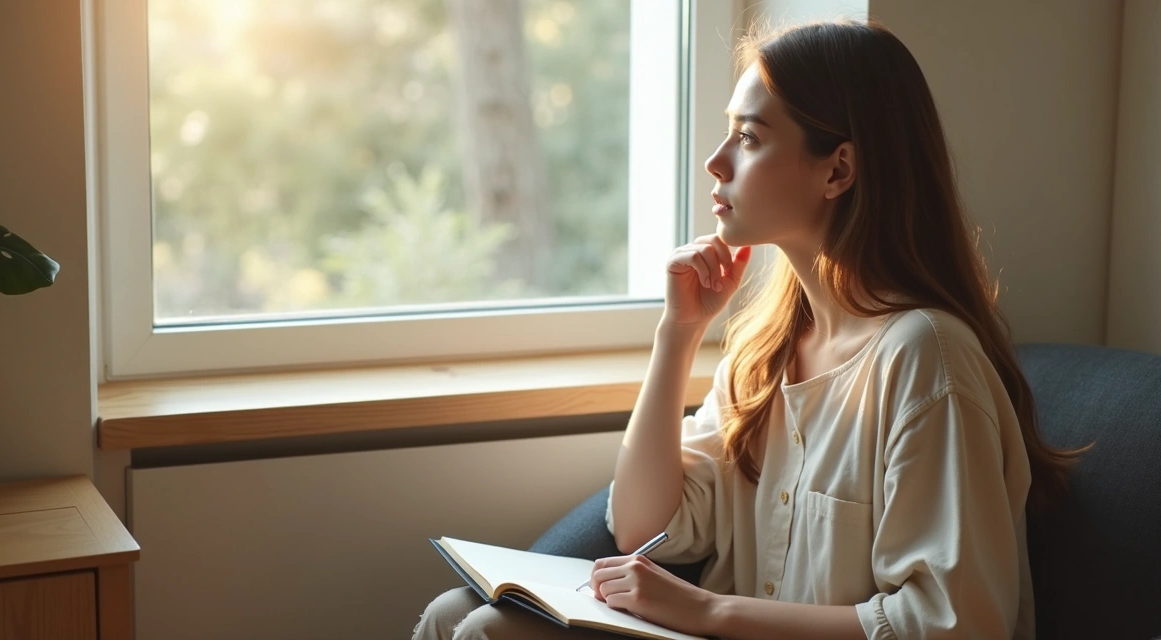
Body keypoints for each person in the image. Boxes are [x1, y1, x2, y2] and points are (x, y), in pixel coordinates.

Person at [413, 18, 1082, 640]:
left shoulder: (923, 358)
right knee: (454, 615)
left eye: (750, 137)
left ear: (838, 169)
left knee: (483, 633)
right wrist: (676, 335)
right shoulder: (768, 350)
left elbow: (955, 621)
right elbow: (643, 525)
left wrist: (706, 610)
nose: (716, 160)